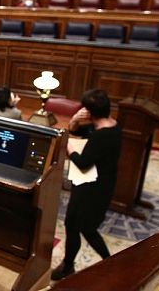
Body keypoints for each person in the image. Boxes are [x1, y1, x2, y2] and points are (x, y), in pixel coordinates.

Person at [51, 89, 121, 281]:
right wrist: (74, 120)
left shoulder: (102, 136)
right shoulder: (112, 125)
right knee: (73, 224)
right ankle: (68, 265)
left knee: (86, 228)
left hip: (93, 189)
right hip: (90, 183)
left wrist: (69, 147)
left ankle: (110, 262)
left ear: (89, 112)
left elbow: (82, 161)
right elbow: (78, 131)